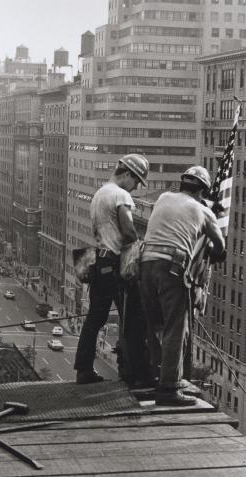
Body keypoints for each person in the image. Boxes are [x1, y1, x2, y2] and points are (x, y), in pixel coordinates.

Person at [140, 166, 225, 406]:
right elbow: (219, 246)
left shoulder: (163, 198)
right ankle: (168, 389)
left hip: (145, 264)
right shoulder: (203, 211)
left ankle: (155, 376)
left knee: (154, 325)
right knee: (175, 329)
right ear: (202, 191)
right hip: (172, 268)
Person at [74, 153, 151, 384]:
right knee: (134, 317)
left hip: (98, 262)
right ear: (127, 174)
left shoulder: (100, 193)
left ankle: (84, 369)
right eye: (136, 181)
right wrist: (141, 248)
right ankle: (137, 374)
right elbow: (128, 232)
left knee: (95, 318)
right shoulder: (120, 195)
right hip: (115, 264)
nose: (136, 187)